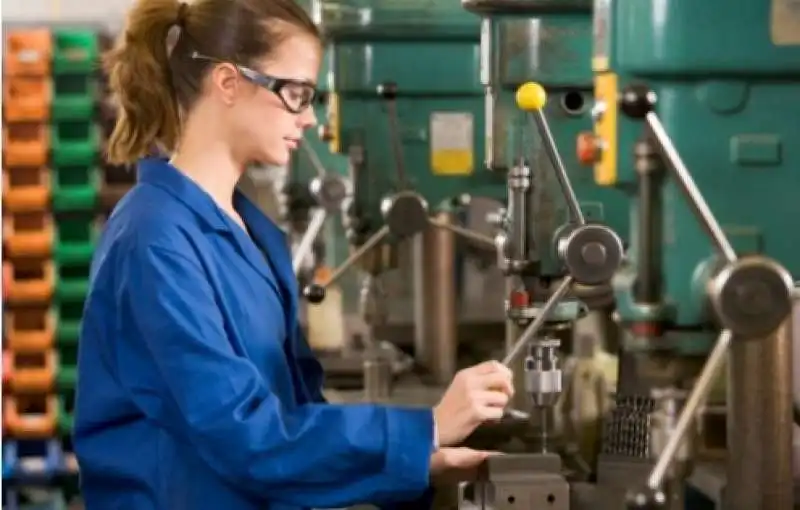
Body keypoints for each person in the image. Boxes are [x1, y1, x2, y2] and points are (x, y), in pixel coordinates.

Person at [73, 0, 516, 509]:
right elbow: (244, 437)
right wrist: (427, 428)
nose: (309, 119)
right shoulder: (154, 242)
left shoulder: (249, 230)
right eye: (296, 94)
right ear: (228, 83)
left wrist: (412, 464)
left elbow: (291, 418)